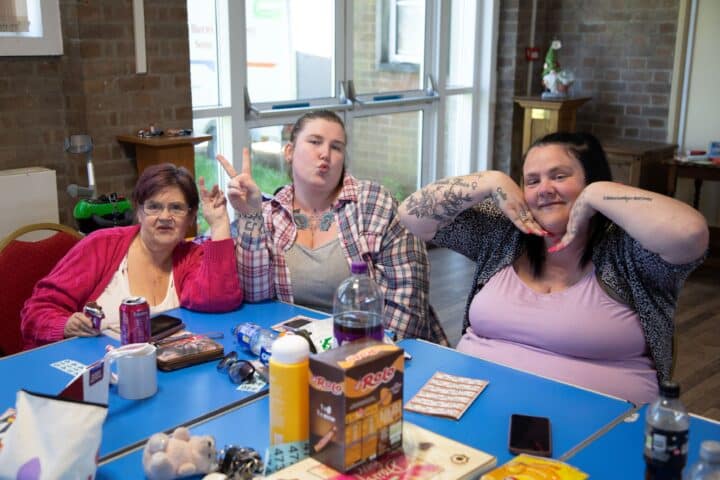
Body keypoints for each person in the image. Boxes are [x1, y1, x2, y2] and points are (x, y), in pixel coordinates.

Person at [398, 132, 708, 404]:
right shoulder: (502, 234)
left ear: (591, 179)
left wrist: (598, 193)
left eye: (559, 176)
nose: (543, 188)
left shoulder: (628, 249)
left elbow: (690, 233)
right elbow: (412, 215)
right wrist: (491, 180)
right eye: (532, 180)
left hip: (601, 430)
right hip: (471, 406)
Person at [218, 110, 447, 345]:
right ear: (289, 152)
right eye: (315, 142)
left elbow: (407, 306)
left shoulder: (374, 203)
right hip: (297, 349)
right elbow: (255, 296)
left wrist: (362, 359)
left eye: (336, 147)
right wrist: (251, 215)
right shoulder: (271, 212)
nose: (325, 154)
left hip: (372, 353)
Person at [21, 163, 243, 349]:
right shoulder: (101, 245)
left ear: (191, 216)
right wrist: (65, 324)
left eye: (176, 208)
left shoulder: (191, 256)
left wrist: (220, 224)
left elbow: (218, 298)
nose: (164, 217)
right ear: (138, 210)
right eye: (153, 207)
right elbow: (35, 312)